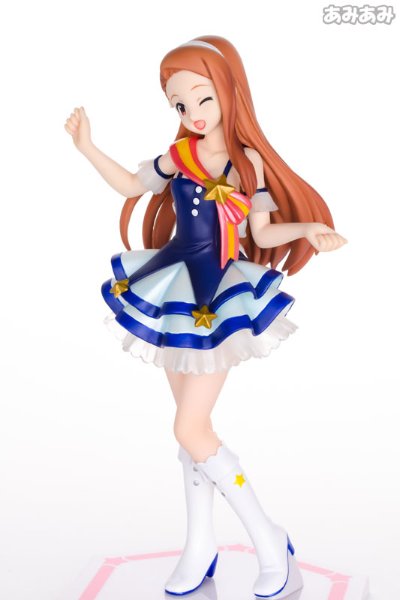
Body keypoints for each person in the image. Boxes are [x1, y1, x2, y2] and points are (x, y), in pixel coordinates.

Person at [64, 35, 347, 598]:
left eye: (203, 98)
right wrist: (87, 147)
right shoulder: (180, 156)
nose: (192, 113)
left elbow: (262, 231)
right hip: (171, 283)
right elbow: (131, 186)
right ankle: (200, 545)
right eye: (179, 103)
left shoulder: (247, 163)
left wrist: (310, 229)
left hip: (214, 296)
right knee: (193, 430)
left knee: (189, 428)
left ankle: (268, 538)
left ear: (228, 92)